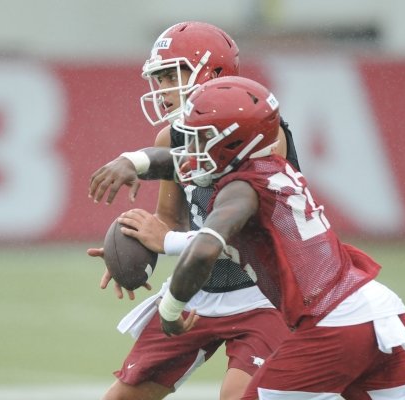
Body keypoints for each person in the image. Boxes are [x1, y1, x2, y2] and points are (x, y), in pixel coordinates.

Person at [119, 76, 405, 399]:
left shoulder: (241, 190)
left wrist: (170, 310)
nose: (191, 150)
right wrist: (134, 161)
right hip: (375, 309)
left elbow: (205, 249)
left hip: (332, 325)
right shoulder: (268, 166)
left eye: (202, 139)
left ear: (232, 144)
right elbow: (179, 167)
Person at [88, 21, 300, 400]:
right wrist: (135, 246)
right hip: (199, 289)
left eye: (172, 74)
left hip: (263, 293)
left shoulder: (261, 132)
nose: (163, 88)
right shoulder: (172, 136)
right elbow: (170, 219)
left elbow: (238, 231)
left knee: (239, 396)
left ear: (213, 73)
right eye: (159, 76)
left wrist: (137, 166)